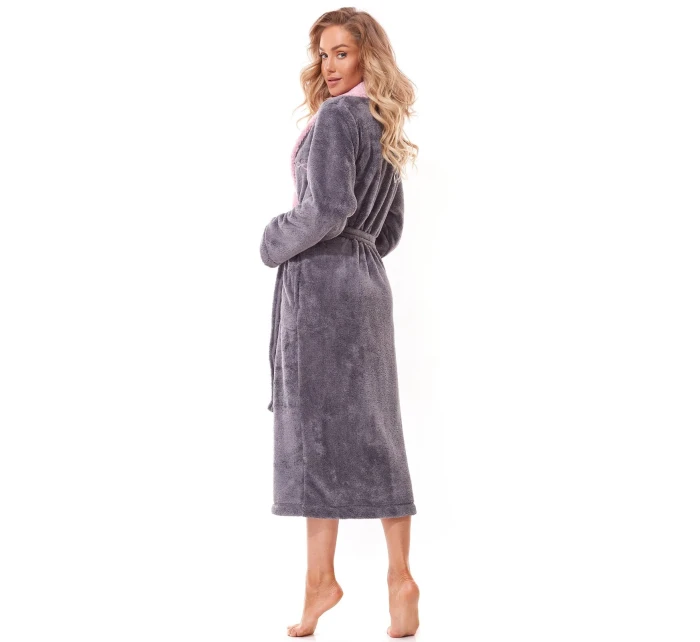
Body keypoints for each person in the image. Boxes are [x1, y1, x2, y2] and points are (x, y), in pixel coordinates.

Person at [259, 8, 420, 638]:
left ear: (366, 56)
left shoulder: (335, 119)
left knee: (313, 431)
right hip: (367, 284)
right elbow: (390, 229)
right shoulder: (381, 122)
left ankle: (319, 581)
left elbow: (326, 209)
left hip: (322, 289)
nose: (329, 66)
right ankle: (399, 577)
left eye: (342, 53)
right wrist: (358, 253)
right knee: (378, 429)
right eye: (323, 53)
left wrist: (274, 240)